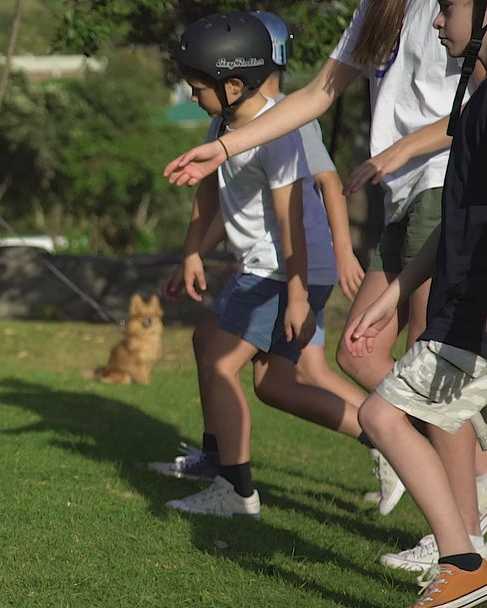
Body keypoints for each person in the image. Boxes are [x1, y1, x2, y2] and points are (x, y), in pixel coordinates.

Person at [164, 0, 487, 569]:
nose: (441, 25)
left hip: (439, 183)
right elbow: (318, 95)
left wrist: (403, 149)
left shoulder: (459, 10)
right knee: (360, 354)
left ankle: (464, 540)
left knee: (430, 370)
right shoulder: (378, 10)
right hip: (404, 195)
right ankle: (460, 522)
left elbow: (470, 111)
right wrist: (220, 148)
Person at [153, 9, 399, 506]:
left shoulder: (281, 129)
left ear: (234, 84)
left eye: (197, 88)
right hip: (269, 268)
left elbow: (293, 222)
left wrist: (299, 293)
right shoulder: (225, 124)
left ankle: (235, 489)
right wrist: (192, 254)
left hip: (281, 269)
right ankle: (390, 440)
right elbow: (214, 196)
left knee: (218, 357)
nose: (192, 97)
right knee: (275, 384)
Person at [342, 2, 487, 602]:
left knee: (381, 415)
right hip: (464, 314)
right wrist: (393, 295)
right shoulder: (474, 109)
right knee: (387, 410)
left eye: (448, 9)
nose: (434, 21)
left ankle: (463, 564)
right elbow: (453, 227)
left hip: (471, 318)